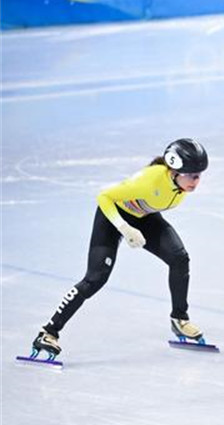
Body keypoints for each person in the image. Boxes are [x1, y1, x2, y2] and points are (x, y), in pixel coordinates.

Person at [31, 139, 210, 360]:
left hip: (142, 215)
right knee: (95, 279)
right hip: (111, 216)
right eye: (192, 175)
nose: (196, 181)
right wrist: (124, 227)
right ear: (175, 170)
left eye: (199, 175)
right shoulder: (150, 179)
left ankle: (179, 320)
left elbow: (147, 207)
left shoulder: (179, 186)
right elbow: (104, 196)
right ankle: (48, 331)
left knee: (179, 258)